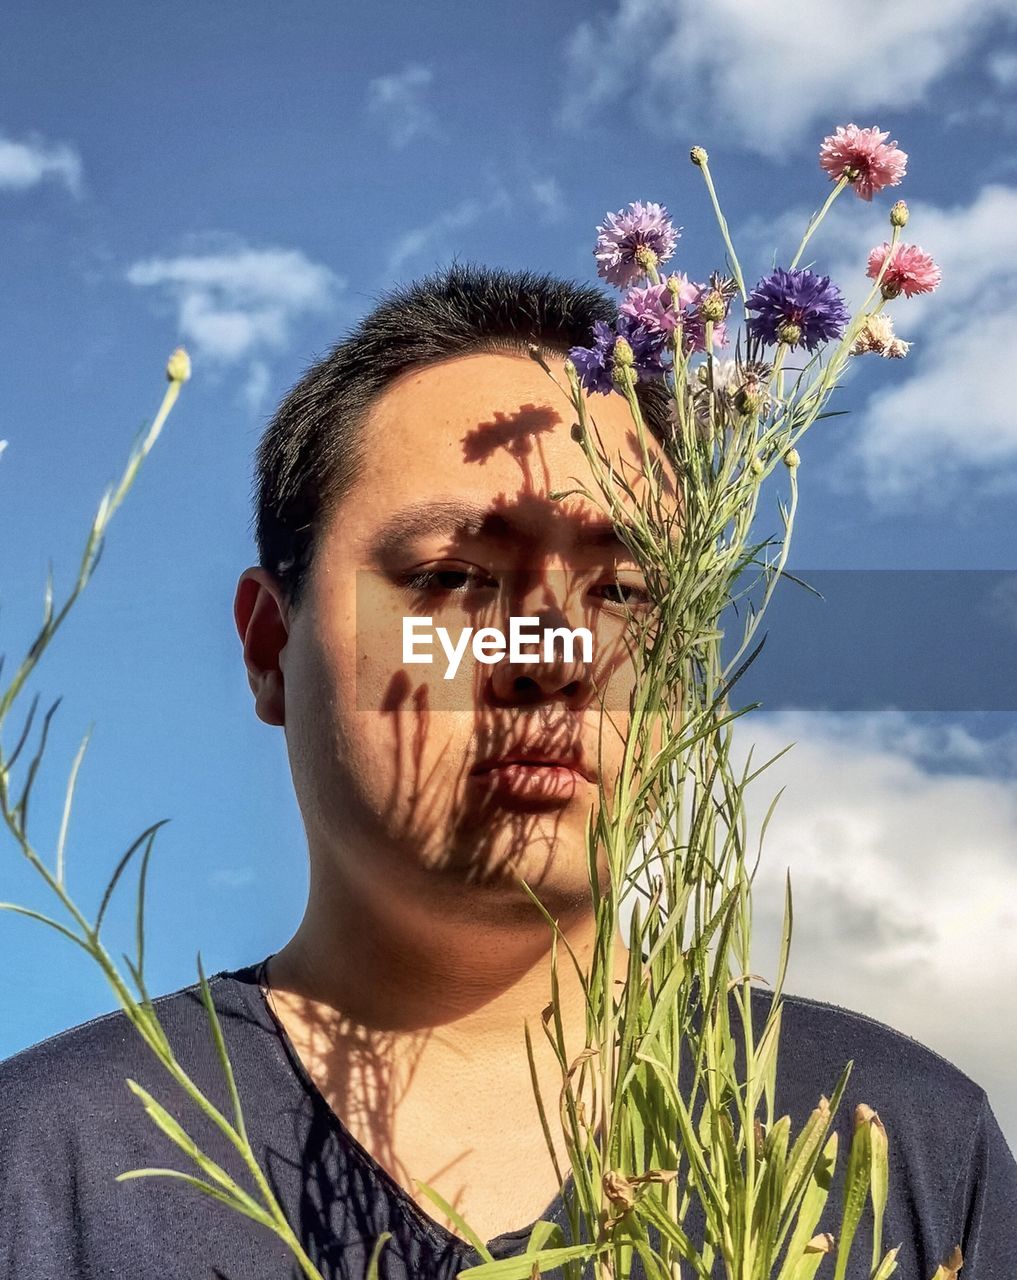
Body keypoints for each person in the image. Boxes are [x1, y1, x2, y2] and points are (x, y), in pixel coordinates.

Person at [1, 264, 1014, 1280]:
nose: (554, 652)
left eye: (623, 589)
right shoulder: (47, 1169)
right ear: (270, 646)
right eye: (451, 578)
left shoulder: (902, 1145)